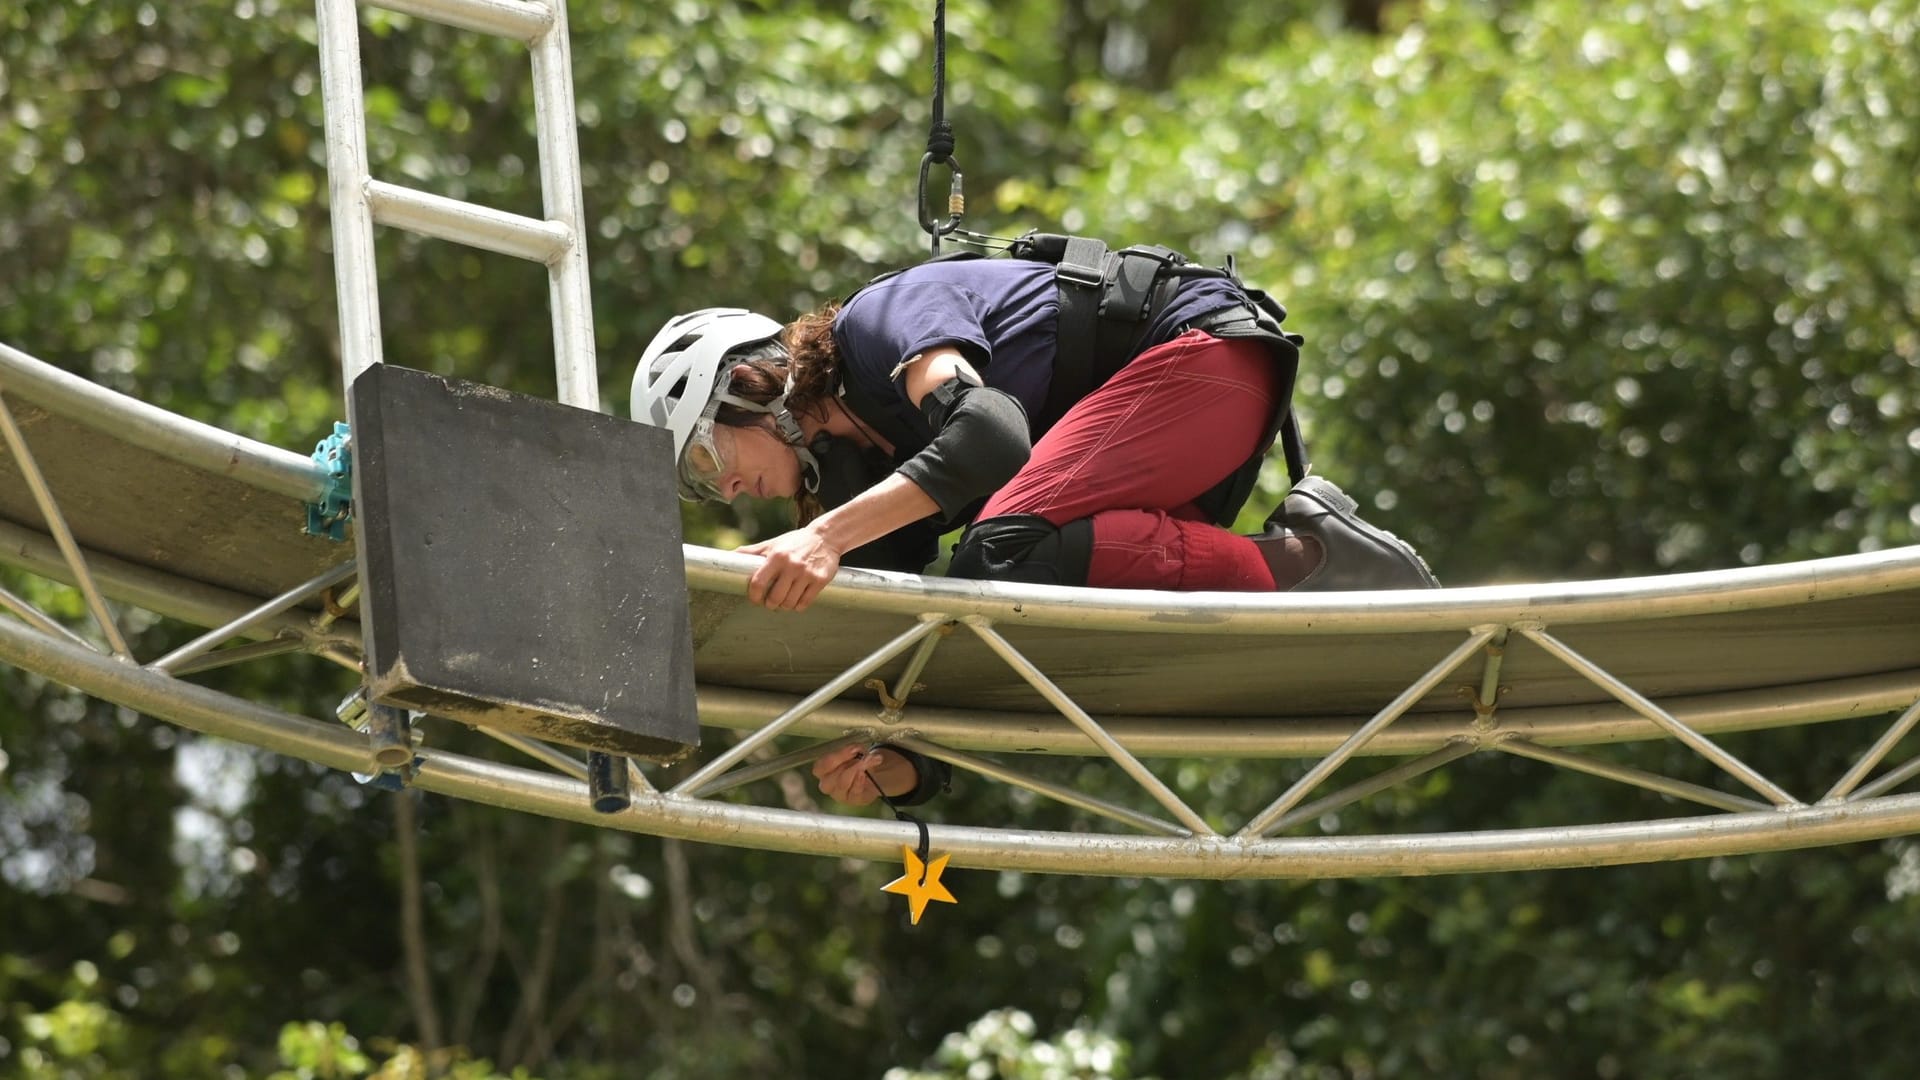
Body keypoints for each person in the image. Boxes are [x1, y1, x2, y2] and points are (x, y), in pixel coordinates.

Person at [633, 235, 1439, 806]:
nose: (729, 489)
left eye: (707, 459)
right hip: (1163, 444)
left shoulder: (879, 324)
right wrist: (900, 762)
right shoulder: (871, 473)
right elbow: (940, 639)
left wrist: (826, 537)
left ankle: (1310, 563)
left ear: (746, 382)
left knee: (1004, 552)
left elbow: (989, 434)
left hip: (1204, 362)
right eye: (702, 490)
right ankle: (1296, 564)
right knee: (1004, 592)